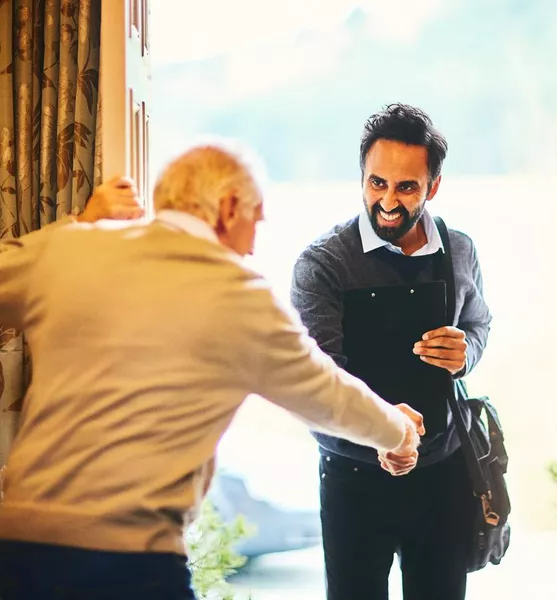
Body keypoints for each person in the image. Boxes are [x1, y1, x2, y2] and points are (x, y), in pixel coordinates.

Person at [0, 142, 424, 600]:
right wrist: (398, 430)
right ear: (227, 208)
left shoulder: (72, 248)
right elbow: (330, 397)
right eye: (254, 221)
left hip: (18, 551)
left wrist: (82, 225)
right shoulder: (240, 297)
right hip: (131, 562)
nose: (254, 244)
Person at [291, 104, 492, 600]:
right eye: (376, 183)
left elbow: (479, 323)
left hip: (442, 475)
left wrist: (465, 350)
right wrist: (383, 434)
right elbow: (316, 385)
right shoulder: (322, 265)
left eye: (406, 187)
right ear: (362, 177)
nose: (387, 201)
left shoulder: (460, 249)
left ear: (434, 186)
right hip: (354, 477)